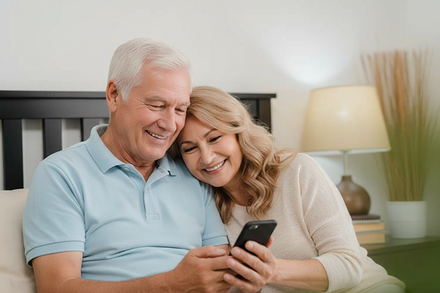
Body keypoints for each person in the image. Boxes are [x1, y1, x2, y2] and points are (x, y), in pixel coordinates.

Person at [22, 39, 265, 293]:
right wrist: (169, 285)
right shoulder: (61, 175)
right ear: (114, 95)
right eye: (157, 105)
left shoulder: (194, 173)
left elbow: (219, 276)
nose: (170, 124)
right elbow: (57, 288)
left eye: (180, 109)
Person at [170, 86, 406, 293]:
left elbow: (349, 265)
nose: (207, 157)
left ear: (238, 132)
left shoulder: (297, 170)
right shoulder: (203, 206)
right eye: (190, 149)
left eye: (214, 138)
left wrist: (272, 271)